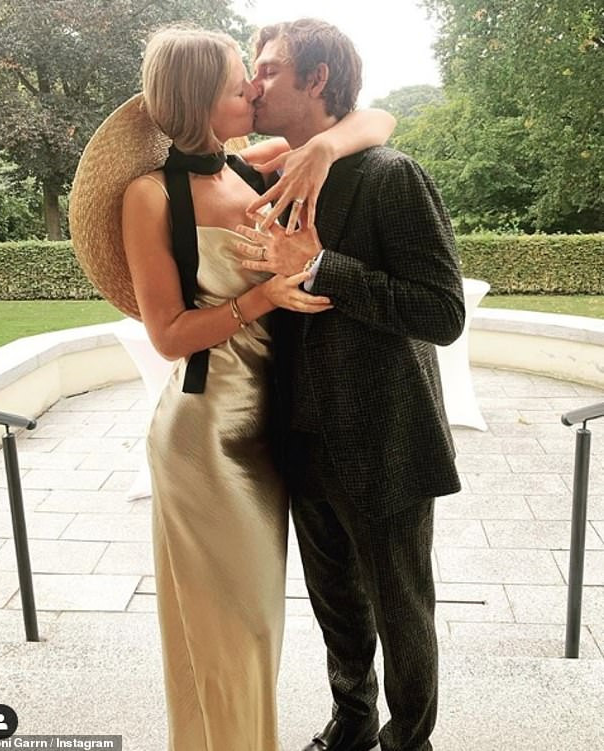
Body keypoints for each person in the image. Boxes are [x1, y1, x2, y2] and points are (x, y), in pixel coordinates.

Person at [69, 25, 395, 751]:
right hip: (204, 437)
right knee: (232, 631)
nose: (252, 88)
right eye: (234, 82)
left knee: (257, 628)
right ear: (196, 101)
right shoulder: (151, 197)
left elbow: (378, 121)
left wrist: (322, 149)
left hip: (265, 429)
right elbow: (167, 334)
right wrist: (262, 298)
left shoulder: (252, 169)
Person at [234, 18, 466, 751]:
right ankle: (354, 722)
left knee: (402, 610)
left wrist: (321, 267)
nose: (253, 84)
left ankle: (410, 739)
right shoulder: (266, 177)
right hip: (299, 439)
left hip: (386, 437)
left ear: (318, 79)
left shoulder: (392, 177)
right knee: (336, 604)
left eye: (269, 69)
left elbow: (443, 313)